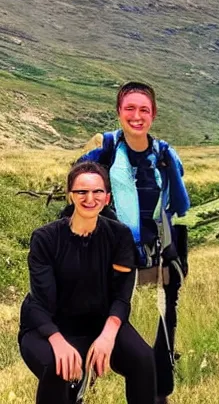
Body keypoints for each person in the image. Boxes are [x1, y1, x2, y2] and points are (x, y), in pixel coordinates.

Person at [78, 81, 190, 404]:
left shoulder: (165, 156)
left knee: (158, 348)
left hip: (156, 267)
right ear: (119, 112)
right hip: (110, 267)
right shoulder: (106, 150)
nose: (136, 116)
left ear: (153, 114)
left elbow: (181, 207)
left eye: (144, 110)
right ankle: (81, 388)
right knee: (94, 336)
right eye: (130, 109)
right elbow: (79, 189)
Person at [19, 161, 156, 404]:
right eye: (81, 191)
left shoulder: (119, 236)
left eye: (97, 192)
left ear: (107, 197)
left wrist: (107, 336)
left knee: (143, 359)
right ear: (71, 196)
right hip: (47, 326)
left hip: (99, 323)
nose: (89, 198)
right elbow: (39, 302)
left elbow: (122, 296)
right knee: (56, 366)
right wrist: (58, 340)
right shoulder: (45, 238)